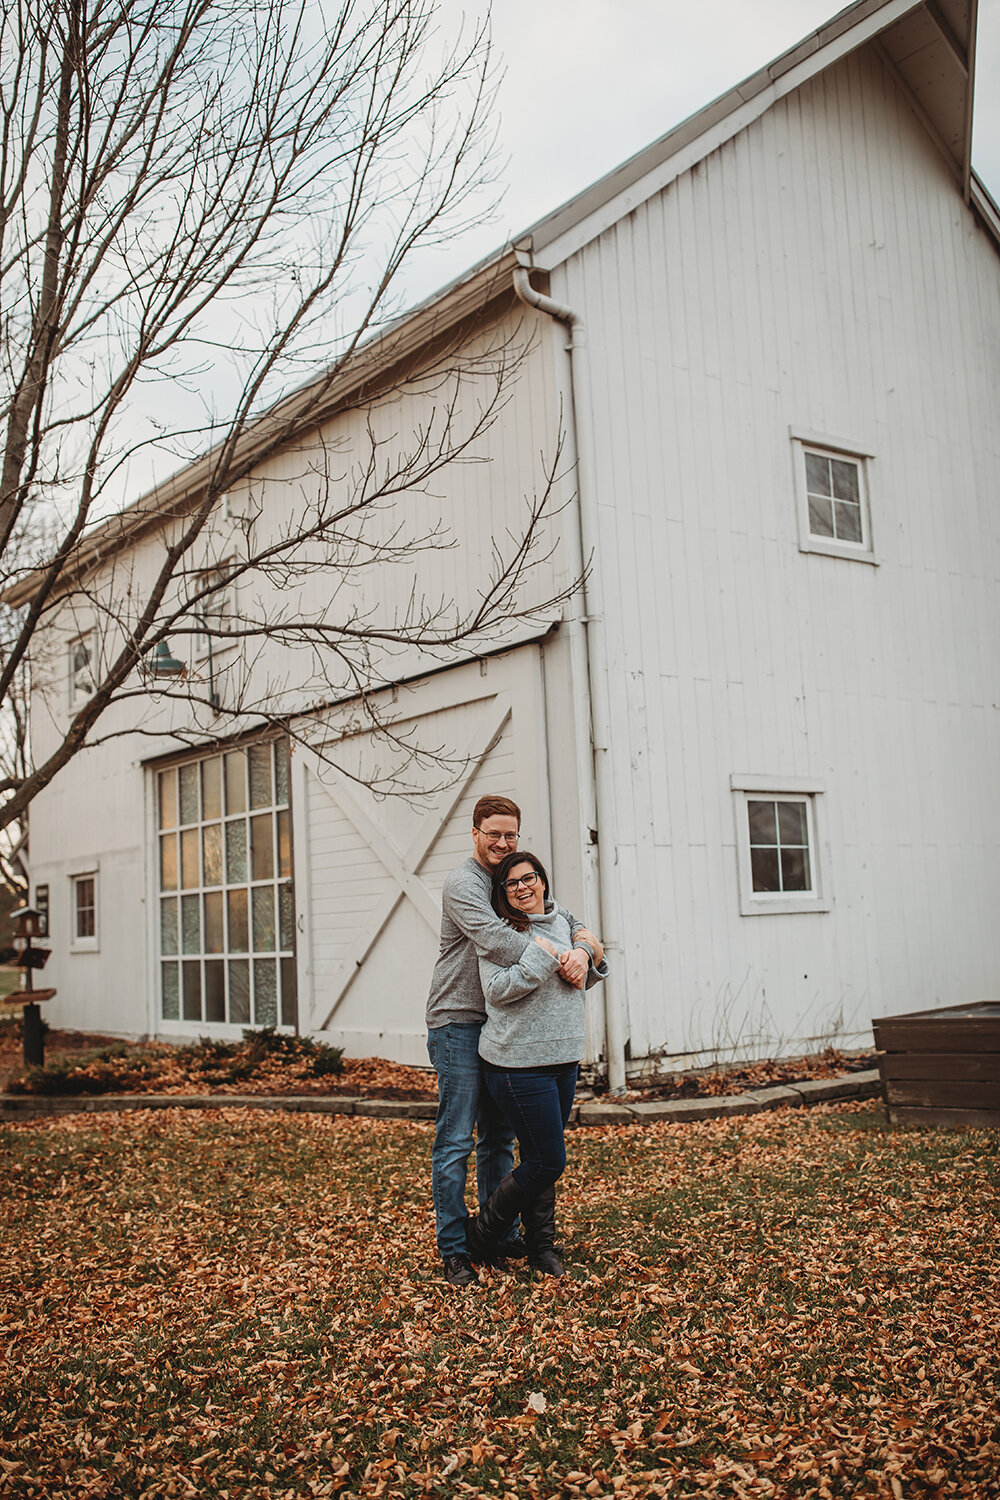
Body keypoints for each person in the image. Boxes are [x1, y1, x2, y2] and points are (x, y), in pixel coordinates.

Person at [426, 796, 594, 1287]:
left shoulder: (510, 879)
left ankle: (498, 1235)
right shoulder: (463, 883)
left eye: (511, 834)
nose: (503, 843)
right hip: (458, 1018)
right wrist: (568, 953)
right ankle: (457, 1249)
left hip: (503, 1026)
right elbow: (500, 940)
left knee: (499, 1137)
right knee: (457, 1138)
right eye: (493, 833)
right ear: (474, 832)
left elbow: (559, 914)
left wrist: (583, 943)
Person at [466, 849, 607, 1279]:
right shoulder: (499, 932)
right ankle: (481, 1233)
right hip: (516, 1064)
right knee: (548, 1160)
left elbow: (592, 969)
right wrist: (541, 957)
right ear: (503, 894)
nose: (522, 887)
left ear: (542, 881)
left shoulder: (563, 919)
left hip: (563, 1058)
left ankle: (541, 1248)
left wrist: (585, 956)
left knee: (538, 1154)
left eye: (529, 878)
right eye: (512, 883)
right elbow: (497, 990)